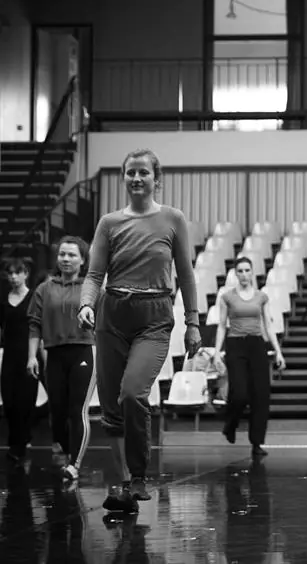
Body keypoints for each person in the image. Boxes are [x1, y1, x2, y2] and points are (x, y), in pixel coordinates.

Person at [78, 148, 201, 514]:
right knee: (112, 409)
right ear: (124, 177)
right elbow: (95, 275)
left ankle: (137, 475)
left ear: (155, 178)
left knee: (133, 393)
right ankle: (123, 488)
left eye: (143, 172)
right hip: (112, 315)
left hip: (155, 315)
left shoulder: (172, 219)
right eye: (130, 172)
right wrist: (86, 303)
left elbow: (187, 275)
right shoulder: (109, 223)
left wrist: (193, 322)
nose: (136, 178)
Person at [27, 236, 96, 484]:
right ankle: (68, 453)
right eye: (62, 254)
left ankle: (75, 464)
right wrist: (31, 357)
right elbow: (34, 324)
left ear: (83, 260)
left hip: (83, 351)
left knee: (78, 411)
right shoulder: (44, 289)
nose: (65, 259)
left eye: (72, 255)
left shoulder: (91, 286)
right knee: (57, 413)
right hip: (54, 353)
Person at [213, 256, 286, 456]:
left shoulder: (261, 297)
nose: (244, 274)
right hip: (235, 344)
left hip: (256, 344)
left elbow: (268, 326)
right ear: (235, 274)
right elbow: (221, 326)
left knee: (260, 395)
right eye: (240, 271)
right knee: (239, 393)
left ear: (252, 272)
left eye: (247, 270)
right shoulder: (227, 297)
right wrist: (217, 353)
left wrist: (278, 351)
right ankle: (231, 424)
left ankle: (256, 443)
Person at [0, 258, 38, 464]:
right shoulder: (4, 298)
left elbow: (38, 326)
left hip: (29, 354)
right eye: (10, 273)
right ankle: (18, 438)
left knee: (25, 400)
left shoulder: (33, 297)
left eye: (17, 273)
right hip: (9, 355)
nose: (13, 277)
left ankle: (19, 444)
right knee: (9, 400)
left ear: (26, 274)